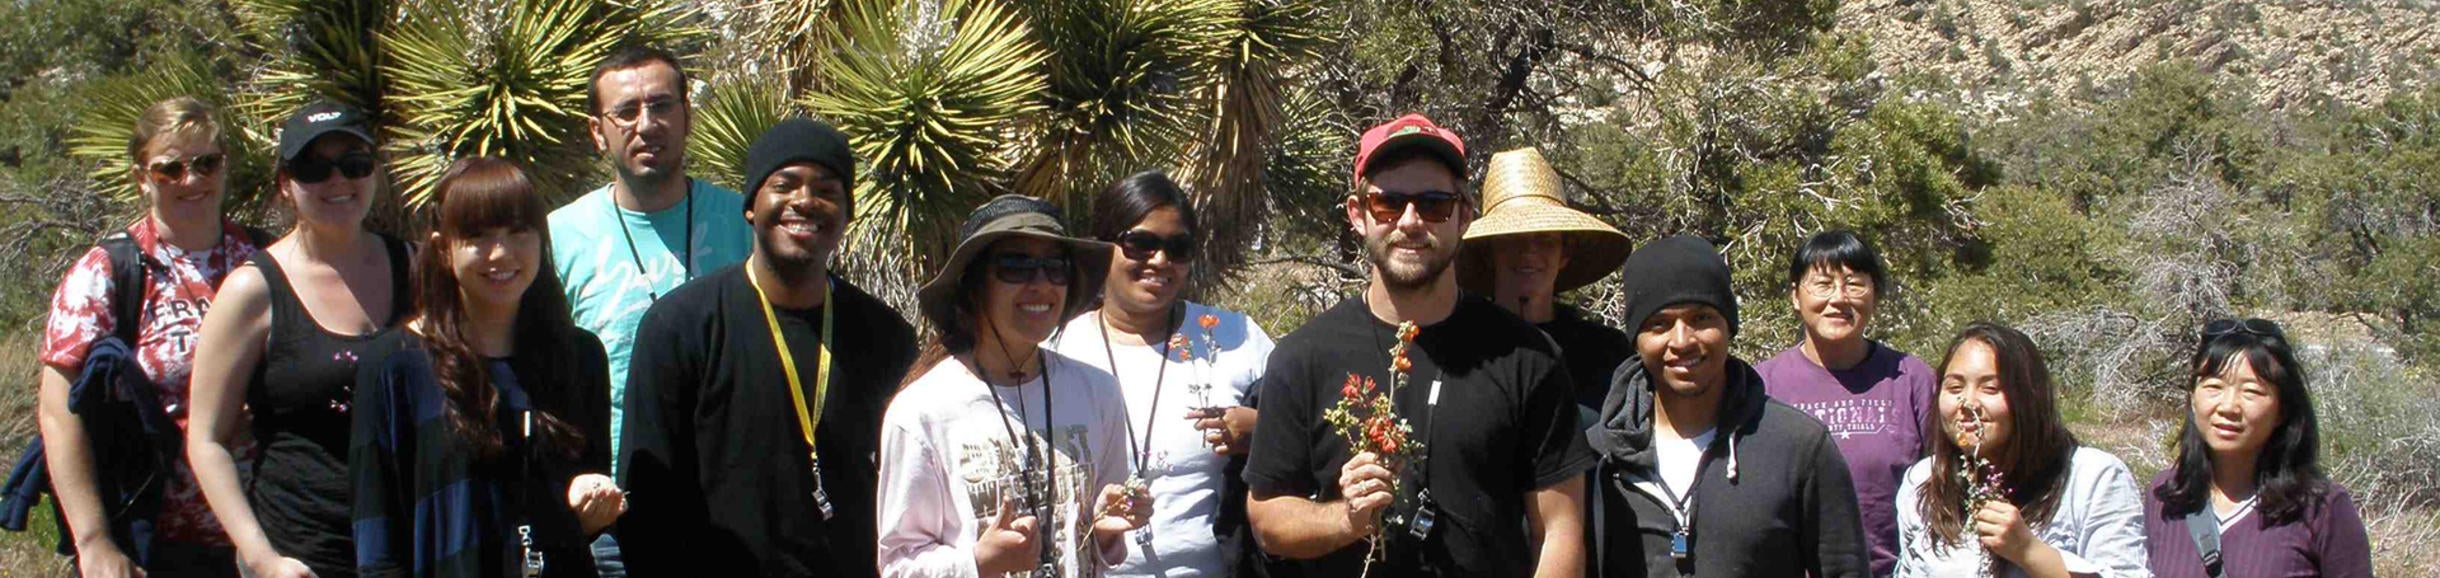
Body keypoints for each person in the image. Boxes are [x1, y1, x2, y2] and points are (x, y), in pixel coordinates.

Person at [1244, 114, 1591, 577]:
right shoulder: (1302, 357)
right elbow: (1268, 517)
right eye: (1388, 203)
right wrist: (1346, 520)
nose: (1409, 222)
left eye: (1433, 204)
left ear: (1464, 215)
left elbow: (1558, 532)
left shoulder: (1527, 357)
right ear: (1357, 214)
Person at [617, 119, 916, 576]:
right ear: (752, 206)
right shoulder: (679, 327)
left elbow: (907, 489)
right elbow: (647, 505)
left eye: (826, 189)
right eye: (785, 184)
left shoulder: (885, 336)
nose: (804, 201)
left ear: (847, 212)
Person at [350, 158, 619, 577]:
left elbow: (580, 513)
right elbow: (377, 544)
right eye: (477, 235)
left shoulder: (580, 358)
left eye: (519, 232)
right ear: (442, 248)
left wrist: (589, 502)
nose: (501, 253)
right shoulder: (394, 366)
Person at [36, 97, 266, 577]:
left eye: (207, 163)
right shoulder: (108, 273)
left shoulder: (267, 259)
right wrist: (94, 541)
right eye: (170, 169)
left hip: (270, 536)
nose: (192, 180)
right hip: (152, 542)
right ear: (142, 177)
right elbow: (59, 412)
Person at [546, 45, 751, 573]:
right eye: (627, 111)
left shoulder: (745, 223)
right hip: (611, 517)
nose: (647, 124)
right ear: (598, 132)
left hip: (735, 507)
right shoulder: (559, 237)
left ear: (687, 116)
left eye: (661, 106)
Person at [187, 100, 412, 578]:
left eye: (355, 164)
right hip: (305, 553)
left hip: (413, 545)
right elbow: (206, 440)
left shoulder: (416, 266)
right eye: (314, 168)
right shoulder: (254, 289)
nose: (338, 182)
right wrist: (262, 558)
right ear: (285, 185)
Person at [877, 194, 1151, 578]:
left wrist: (1105, 529)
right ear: (974, 285)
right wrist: (977, 563)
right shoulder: (923, 411)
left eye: (1056, 268)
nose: (1041, 283)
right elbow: (897, 564)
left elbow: (1098, 549)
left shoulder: (1098, 392)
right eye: (1016, 265)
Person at [1585, 234, 1870, 578]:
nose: (1682, 341)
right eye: (1659, 324)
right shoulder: (1597, 458)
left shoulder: (1798, 447)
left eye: (1702, 318)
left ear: (1728, 326)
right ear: (1636, 339)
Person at [1049, 171, 1274, 576]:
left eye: (1178, 248)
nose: (1160, 261)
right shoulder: (1057, 347)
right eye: (1140, 244)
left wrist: (1263, 431)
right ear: (1103, 246)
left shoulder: (1234, 337)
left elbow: (1313, 428)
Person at [1895, 323, 2147, 578]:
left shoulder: (2093, 477)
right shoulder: (1923, 480)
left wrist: (2029, 551)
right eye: (1955, 388)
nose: (1968, 404)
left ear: (2028, 397)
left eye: (1990, 388)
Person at [1754, 230, 1937, 578]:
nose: (1838, 298)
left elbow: (1947, 485)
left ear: (1874, 294)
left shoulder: (1912, 379)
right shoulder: (1762, 386)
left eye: (1854, 284)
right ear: (1795, 296)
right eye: (1822, 284)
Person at [2141, 318, 2373, 578]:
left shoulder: (2321, 507)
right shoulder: (2166, 496)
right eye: (2214, 387)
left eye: (2251, 391)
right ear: (2193, 399)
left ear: (2282, 410)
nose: (2229, 407)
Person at [1454, 147, 1632, 412]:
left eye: (1545, 240)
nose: (1529, 252)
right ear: (1490, 253)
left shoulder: (1605, 352)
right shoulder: (1459, 347)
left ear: (1565, 254)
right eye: (1513, 239)